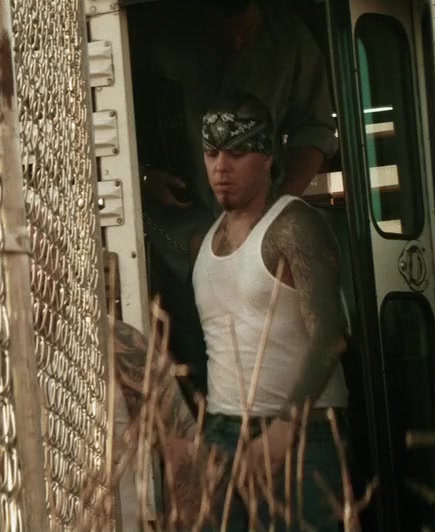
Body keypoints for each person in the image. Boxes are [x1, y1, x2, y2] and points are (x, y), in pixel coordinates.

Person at [130, 0, 339, 400]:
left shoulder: (290, 38)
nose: (239, 43)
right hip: (174, 227)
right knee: (193, 354)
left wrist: (276, 208)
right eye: (226, 32)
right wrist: (141, 177)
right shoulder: (155, 32)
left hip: (262, 225)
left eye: (248, 32)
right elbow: (110, 115)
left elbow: (315, 129)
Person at [190, 92, 350, 531]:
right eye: (211, 153)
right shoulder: (206, 238)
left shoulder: (294, 223)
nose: (221, 167)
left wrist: (284, 429)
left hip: (302, 432)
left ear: (267, 157)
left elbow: (330, 336)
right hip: (223, 432)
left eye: (237, 152)